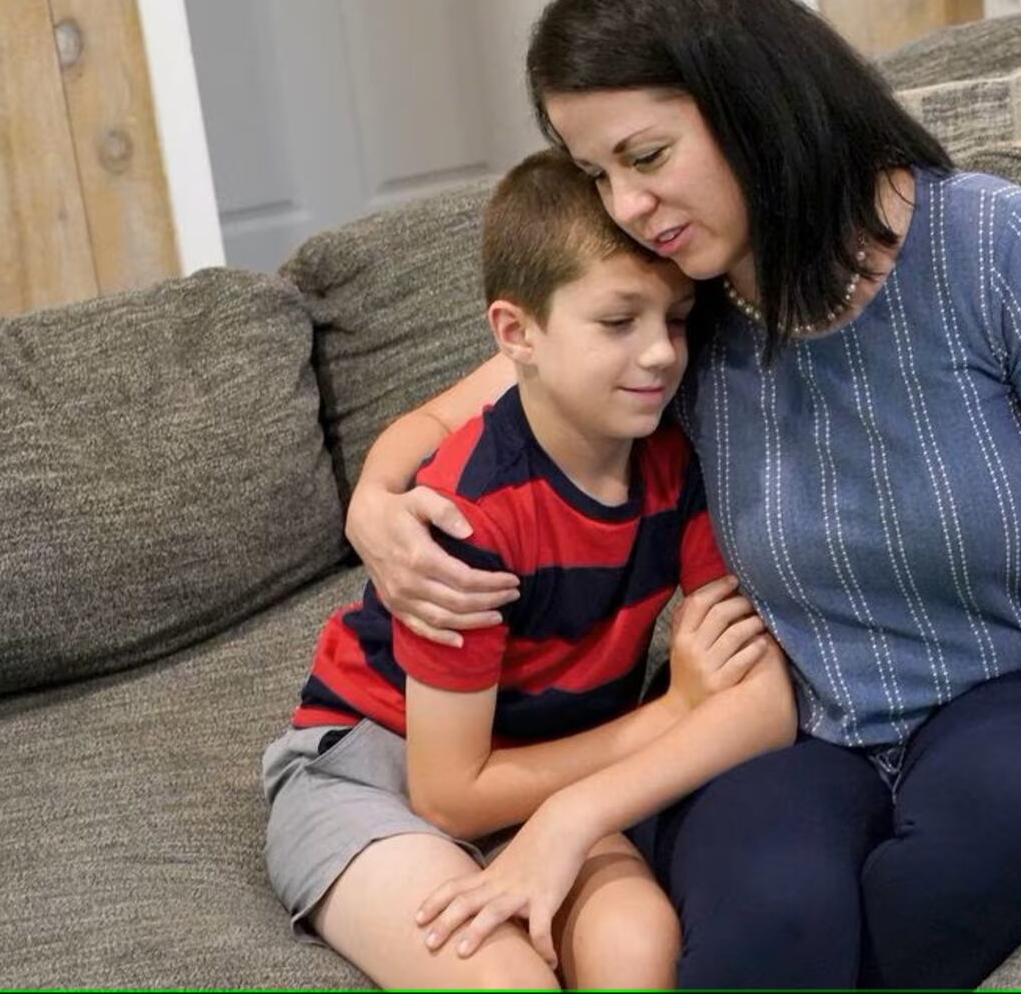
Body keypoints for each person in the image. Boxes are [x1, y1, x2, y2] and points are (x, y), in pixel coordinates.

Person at [345, 0, 1021, 990]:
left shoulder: (988, 244)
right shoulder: (673, 314)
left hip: (1020, 687)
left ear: (746, 98)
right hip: (797, 722)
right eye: (595, 174)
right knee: (759, 943)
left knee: (946, 886)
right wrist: (375, 504)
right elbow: (452, 414)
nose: (625, 207)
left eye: (645, 157)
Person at [261, 148, 796, 989]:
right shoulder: (468, 516)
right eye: (619, 322)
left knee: (639, 944)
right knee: (502, 980)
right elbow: (447, 793)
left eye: (678, 319)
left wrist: (678, 721)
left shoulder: (679, 459)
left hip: (541, 759)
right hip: (372, 773)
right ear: (518, 335)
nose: (660, 354)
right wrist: (675, 712)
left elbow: (762, 703)